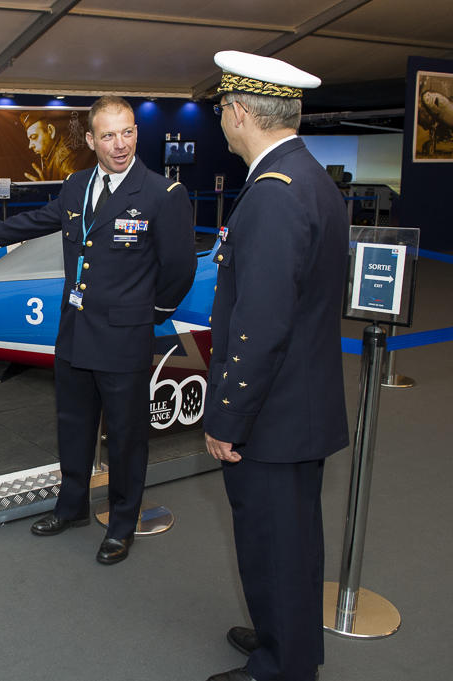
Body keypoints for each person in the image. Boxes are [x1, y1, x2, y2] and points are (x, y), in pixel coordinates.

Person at [0, 95, 195, 565]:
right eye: (107, 135)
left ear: (137, 135)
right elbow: (39, 221)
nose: (119, 145)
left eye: (127, 133)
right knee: (73, 426)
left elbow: (179, 268)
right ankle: (72, 508)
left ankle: (122, 524)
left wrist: (151, 312)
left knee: (125, 437)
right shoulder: (76, 185)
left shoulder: (163, 194)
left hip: (125, 337)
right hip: (77, 330)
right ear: (90, 140)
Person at [203, 51, 350, 681]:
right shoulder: (308, 177)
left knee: (273, 544)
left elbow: (259, 328)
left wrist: (227, 416)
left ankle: (283, 667)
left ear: (239, 112)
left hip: (273, 414)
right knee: (290, 542)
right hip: (300, 402)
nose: (221, 122)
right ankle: (283, 638)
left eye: (221, 111)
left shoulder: (272, 196)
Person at [20, 111, 90, 182]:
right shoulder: (48, 154)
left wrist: (45, 189)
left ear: (50, 131)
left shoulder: (66, 162)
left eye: (34, 137)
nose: (30, 146)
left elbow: (75, 189)